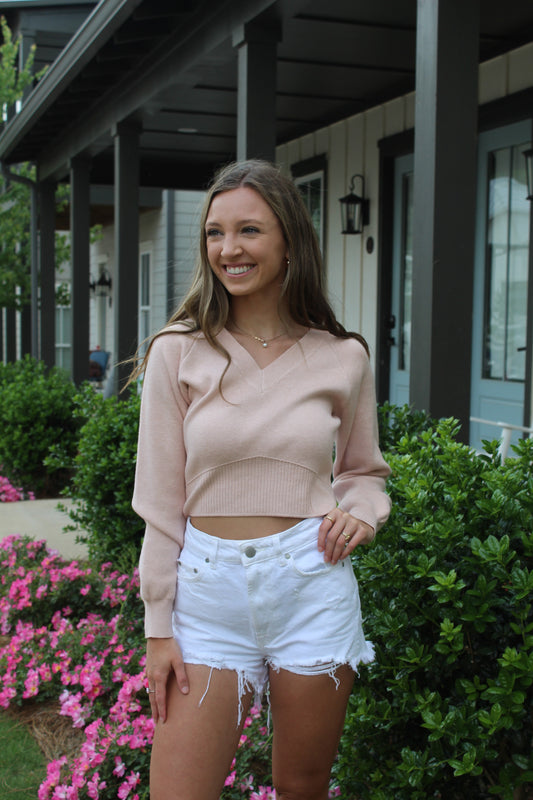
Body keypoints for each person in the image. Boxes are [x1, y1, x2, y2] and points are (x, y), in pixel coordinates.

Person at [131, 159, 391, 800]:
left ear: (288, 240)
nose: (229, 249)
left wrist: (362, 510)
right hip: (206, 599)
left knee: (301, 787)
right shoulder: (179, 350)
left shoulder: (342, 355)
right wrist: (157, 627)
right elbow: (161, 503)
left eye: (249, 230)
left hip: (310, 585)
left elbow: (363, 471)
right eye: (215, 233)